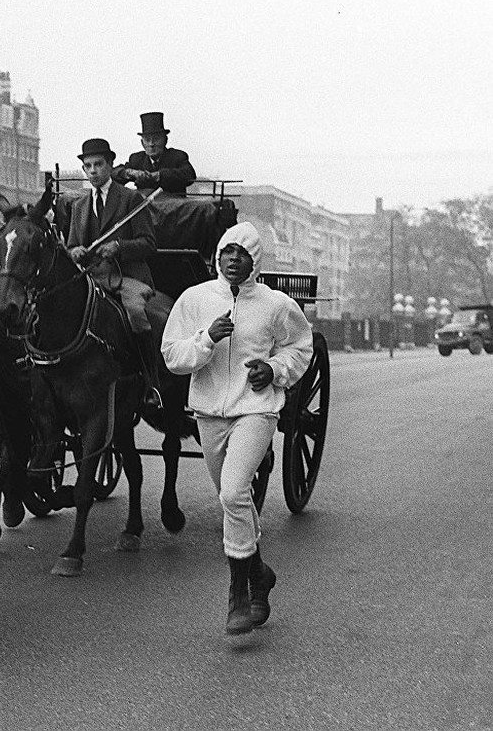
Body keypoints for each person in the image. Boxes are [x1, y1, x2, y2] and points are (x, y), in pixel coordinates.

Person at [161, 221, 313, 635]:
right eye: (227, 251)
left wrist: (274, 368)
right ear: (217, 256)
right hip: (209, 412)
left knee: (232, 491)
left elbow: (301, 345)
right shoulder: (194, 300)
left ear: (254, 262)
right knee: (234, 499)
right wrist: (206, 339)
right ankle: (259, 572)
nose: (233, 259)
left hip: (256, 410)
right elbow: (173, 356)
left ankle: (239, 595)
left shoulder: (275, 304)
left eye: (242, 254)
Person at [54, 138, 164, 410]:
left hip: (127, 277)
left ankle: (152, 383)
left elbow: (149, 243)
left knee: (136, 313)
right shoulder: (78, 205)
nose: (93, 171)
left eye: (98, 164)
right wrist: (74, 251)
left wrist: (120, 247)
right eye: (88, 166)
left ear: (110, 164)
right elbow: (70, 246)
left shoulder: (130, 199)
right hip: (91, 279)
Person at [112, 112, 196, 198]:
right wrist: (129, 173)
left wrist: (159, 176)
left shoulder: (177, 156)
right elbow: (111, 174)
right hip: (145, 209)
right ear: (142, 143)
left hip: (174, 207)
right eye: (147, 140)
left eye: (156, 139)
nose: (151, 144)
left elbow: (189, 175)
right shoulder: (137, 159)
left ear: (165, 140)